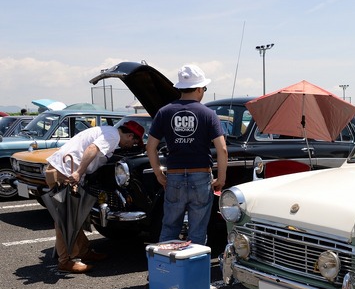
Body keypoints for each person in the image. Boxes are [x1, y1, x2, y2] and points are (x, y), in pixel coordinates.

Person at [45, 120, 145, 273]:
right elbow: (92, 149)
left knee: (74, 216)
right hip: (65, 172)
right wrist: (79, 172)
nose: (132, 146)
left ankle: (83, 251)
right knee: (65, 218)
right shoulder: (112, 137)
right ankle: (65, 261)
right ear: (130, 135)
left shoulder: (108, 131)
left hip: (62, 169)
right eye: (135, 141)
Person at [146, 64, 227, 246]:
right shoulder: (208, 114)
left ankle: (165, 270)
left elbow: (150, 146)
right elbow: (222, 149)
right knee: (197, 230)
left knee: (169, 227)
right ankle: (193, 272)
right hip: (201, 175)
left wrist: (159, 173)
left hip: (173, 176)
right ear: (199, 88)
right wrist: (221, 177)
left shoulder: (164, 112)